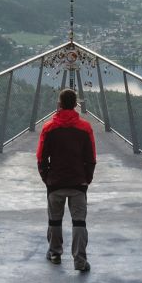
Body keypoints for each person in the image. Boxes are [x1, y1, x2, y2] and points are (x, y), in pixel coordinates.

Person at [36, 87, 96, 272]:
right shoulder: (85, 128)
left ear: (60, 105)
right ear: (76, 105)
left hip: (55, 182)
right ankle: (79, 260)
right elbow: (91, 158)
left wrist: (47, 178)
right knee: (79, 221)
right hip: (78, 182)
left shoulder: (49, 127)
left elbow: (40, 157)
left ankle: (55, 253)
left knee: (54, 220)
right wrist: (87, 179)